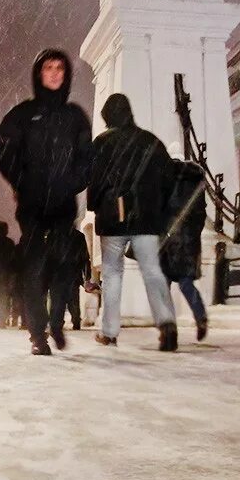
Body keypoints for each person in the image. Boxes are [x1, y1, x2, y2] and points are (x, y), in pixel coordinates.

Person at [0, 48, 93, 355]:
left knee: (65, 268)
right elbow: (3, 151)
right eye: (48, 68)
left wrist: (73, 182)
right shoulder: (23, 115)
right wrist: (23, 183)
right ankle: (38, 335)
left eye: (59, 68)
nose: (53, 73)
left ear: (66, 74)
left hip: (64, 205)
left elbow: (87, 158)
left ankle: (57, 324)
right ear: (39, 73)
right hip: (33, 207)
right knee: (34, 269)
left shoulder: (75, 116)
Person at [87, 93, 178, 351]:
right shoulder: (151, 142)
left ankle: (110, 331)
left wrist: (96, 205)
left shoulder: (102, 143)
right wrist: (157, 206)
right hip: (147, 219)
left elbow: (93, 181)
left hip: (112, 218)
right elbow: (169, 178)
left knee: (112, 274)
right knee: (152, 272)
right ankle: (167, 325)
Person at [160, 158, 209, 341]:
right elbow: (201, 214)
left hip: (168, 240)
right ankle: (200, 316)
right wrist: (192, 234)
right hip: (189, 241)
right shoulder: (196, 180)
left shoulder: (165, 179)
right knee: (186, 283)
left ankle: (168, 329)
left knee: (163, 286)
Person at [53, 230, 91, 330]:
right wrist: (87, 276)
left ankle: (59, 322)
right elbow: (85, 257)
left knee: (59, 298)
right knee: (73, 298)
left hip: (58, 272)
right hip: (73, 272)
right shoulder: (79, 236)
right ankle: (76, 321)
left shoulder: (55, 234)